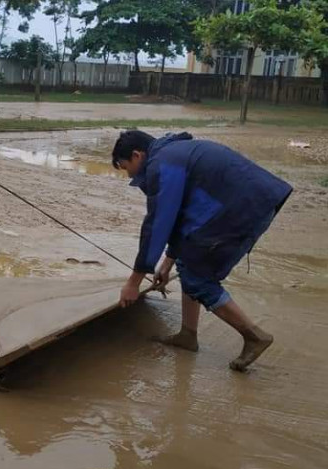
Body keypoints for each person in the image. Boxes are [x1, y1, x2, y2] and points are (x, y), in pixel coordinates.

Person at [113, 130, 292, 371]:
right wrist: (167, 263)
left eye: (126, 167)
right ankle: (188, 336)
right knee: (189, 263)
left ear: (137, 155)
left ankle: (254, 336)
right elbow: (179, 219)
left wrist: (134, 282)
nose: (129, 175)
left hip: (242, 208)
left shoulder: (162, 163)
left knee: (198, 278)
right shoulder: (172, 154)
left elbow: (158, 223)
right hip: (248, 202)